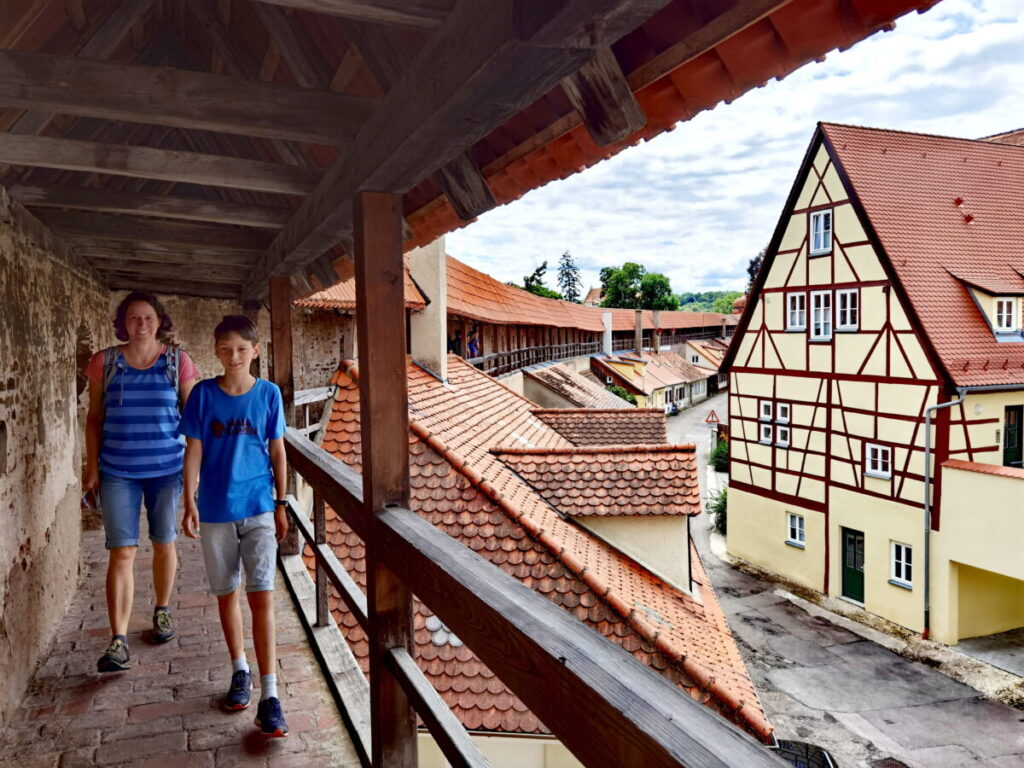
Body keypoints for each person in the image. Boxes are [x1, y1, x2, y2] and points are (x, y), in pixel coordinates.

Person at [178, 315, 289, 737]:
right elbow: (194, 451)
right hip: (215, 509)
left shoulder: (268, 394)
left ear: (255, 351)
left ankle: (270, 694)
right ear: (216, 353)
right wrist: (188, 499)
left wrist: (280, 504)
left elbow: (277, 452)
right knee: (227, 593)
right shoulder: (203, 395)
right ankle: (239, 668)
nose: (234, 356)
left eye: (242, 349)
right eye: (226, 350)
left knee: (262, 596)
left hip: (259, 505)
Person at [83, 292, 200, 673]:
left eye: (148, 317)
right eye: (134, 318)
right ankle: (118, 641)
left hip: (166, 469)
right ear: (123, 323)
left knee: (164, 542)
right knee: (122, 551)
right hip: (118, 469)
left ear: (159, 321)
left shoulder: (177, 362)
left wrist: (194, 471)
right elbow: (94, 418)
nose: (142, 324)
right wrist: (92, 466)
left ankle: (162, 611)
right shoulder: (105, 362)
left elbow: (193, 416)